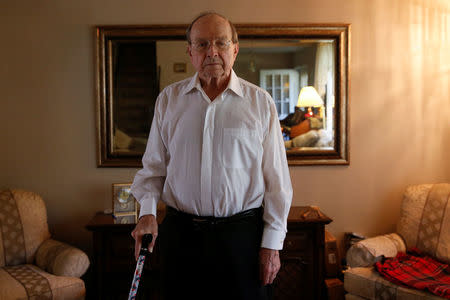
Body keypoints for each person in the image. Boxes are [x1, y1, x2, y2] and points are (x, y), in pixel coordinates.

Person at [131, 12, 292, 300]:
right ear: (190, 52)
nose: (212, 52)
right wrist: (147, 214)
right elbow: (153, 169)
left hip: (242, 239)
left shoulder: (260, 104)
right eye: (202, 44)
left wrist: (272, 244)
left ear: (235, 49)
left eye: (221, 42)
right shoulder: (169, 100)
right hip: (182, 237)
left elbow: (277, 183)